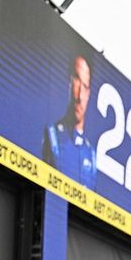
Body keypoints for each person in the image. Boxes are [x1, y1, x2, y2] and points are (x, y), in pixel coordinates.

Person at [43, 55, 96, 187]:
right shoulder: (52, 136)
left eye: (85, 86)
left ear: (89, 93)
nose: (79, 96)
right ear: (69, 82)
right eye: (77, 80)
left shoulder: (91, 154)